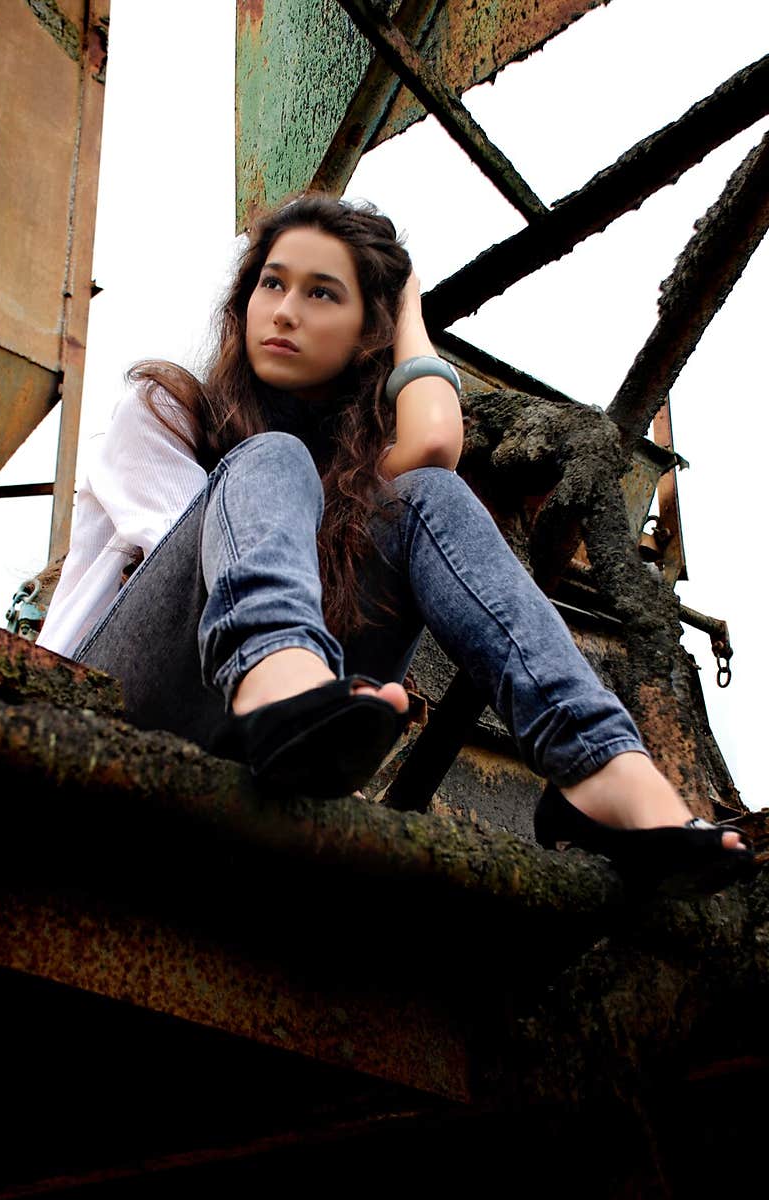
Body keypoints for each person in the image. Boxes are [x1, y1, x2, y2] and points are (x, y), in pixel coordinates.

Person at [38, 192, 752, 888]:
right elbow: (205, 563)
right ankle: (279, 679)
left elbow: (436, 444)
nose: (283, 311)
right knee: (273, 457)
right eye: (271, 283)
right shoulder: (167, 407)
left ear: (366, 333)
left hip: (265, 745)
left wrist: (408, 307)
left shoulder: (347, 469)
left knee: (425, 497)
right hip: (107, 702)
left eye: (323, 294)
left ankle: (601, 768)